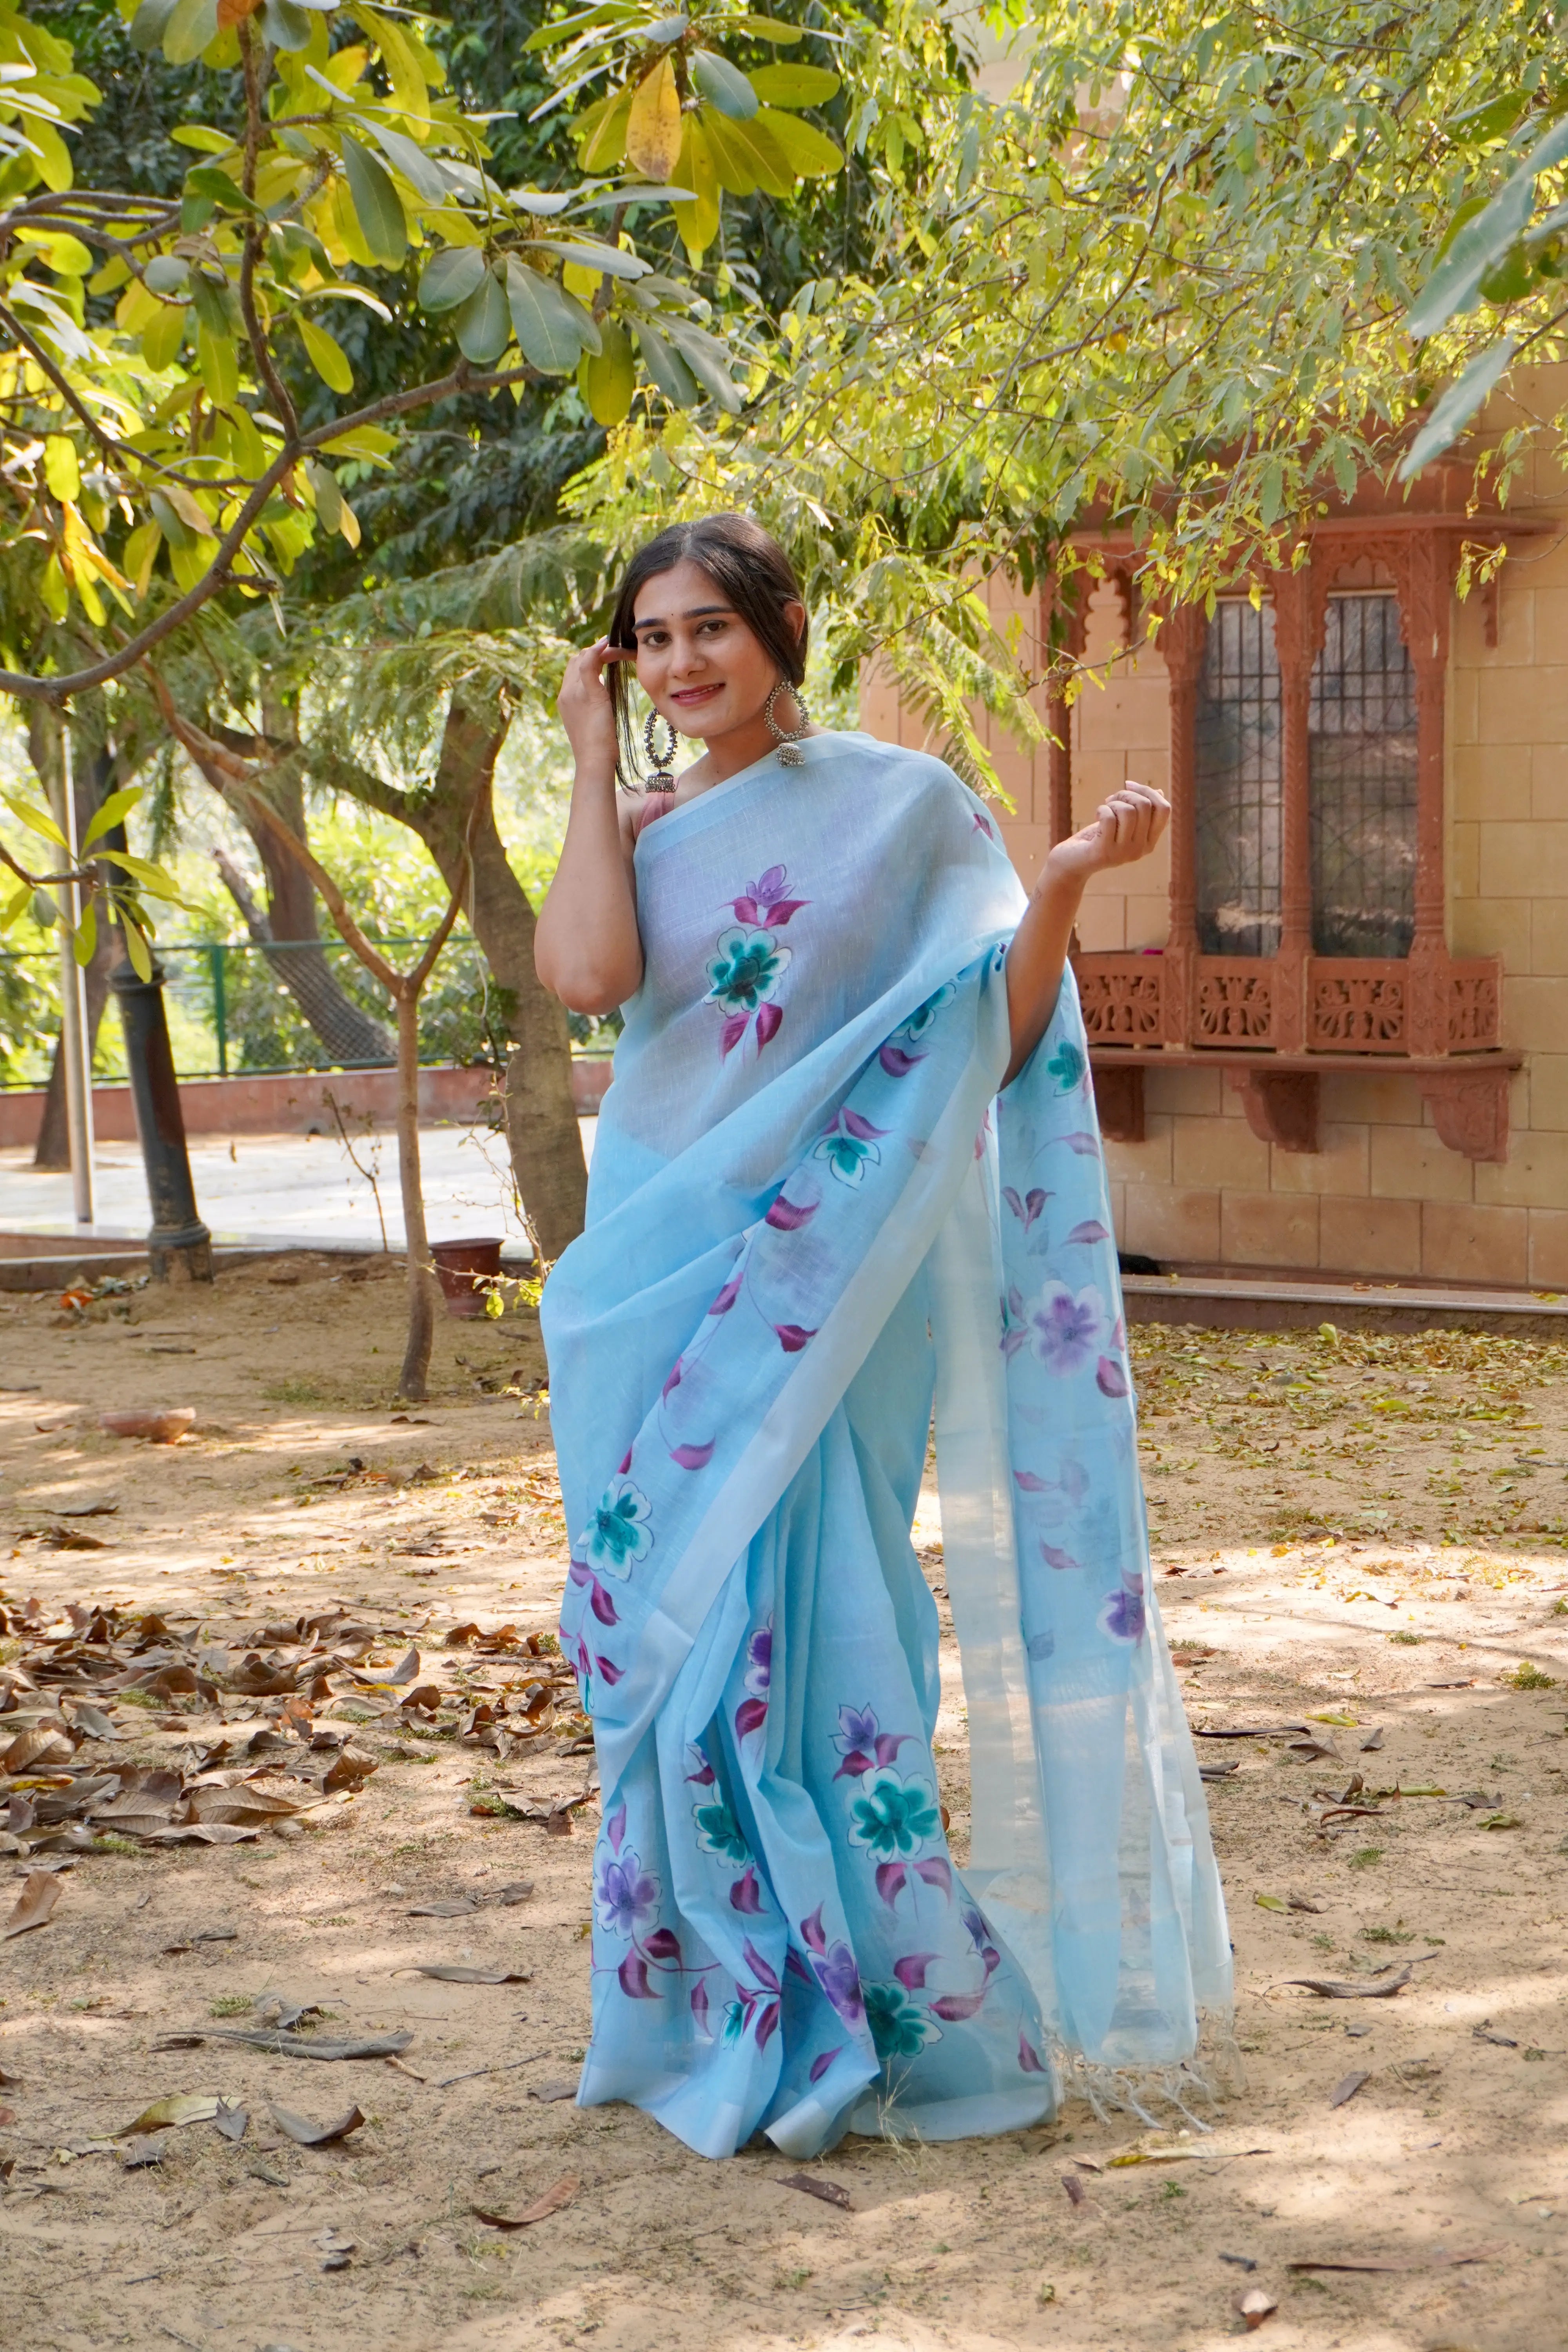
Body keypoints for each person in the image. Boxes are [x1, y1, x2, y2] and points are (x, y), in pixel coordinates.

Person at [534, 513, 1230, 2161]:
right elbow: (584, 982)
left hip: (828, 1267)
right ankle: (704, 1998)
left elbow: (980, 1049)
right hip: (654, 1256)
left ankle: (865, 1998)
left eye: (712, 627)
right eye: (651, 640)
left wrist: (1055, 890)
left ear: (781, 629)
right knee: (667, 1626)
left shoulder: (903, 809)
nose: (683, 662)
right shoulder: (629, 823)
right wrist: (581, 763)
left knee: (833, 1616)